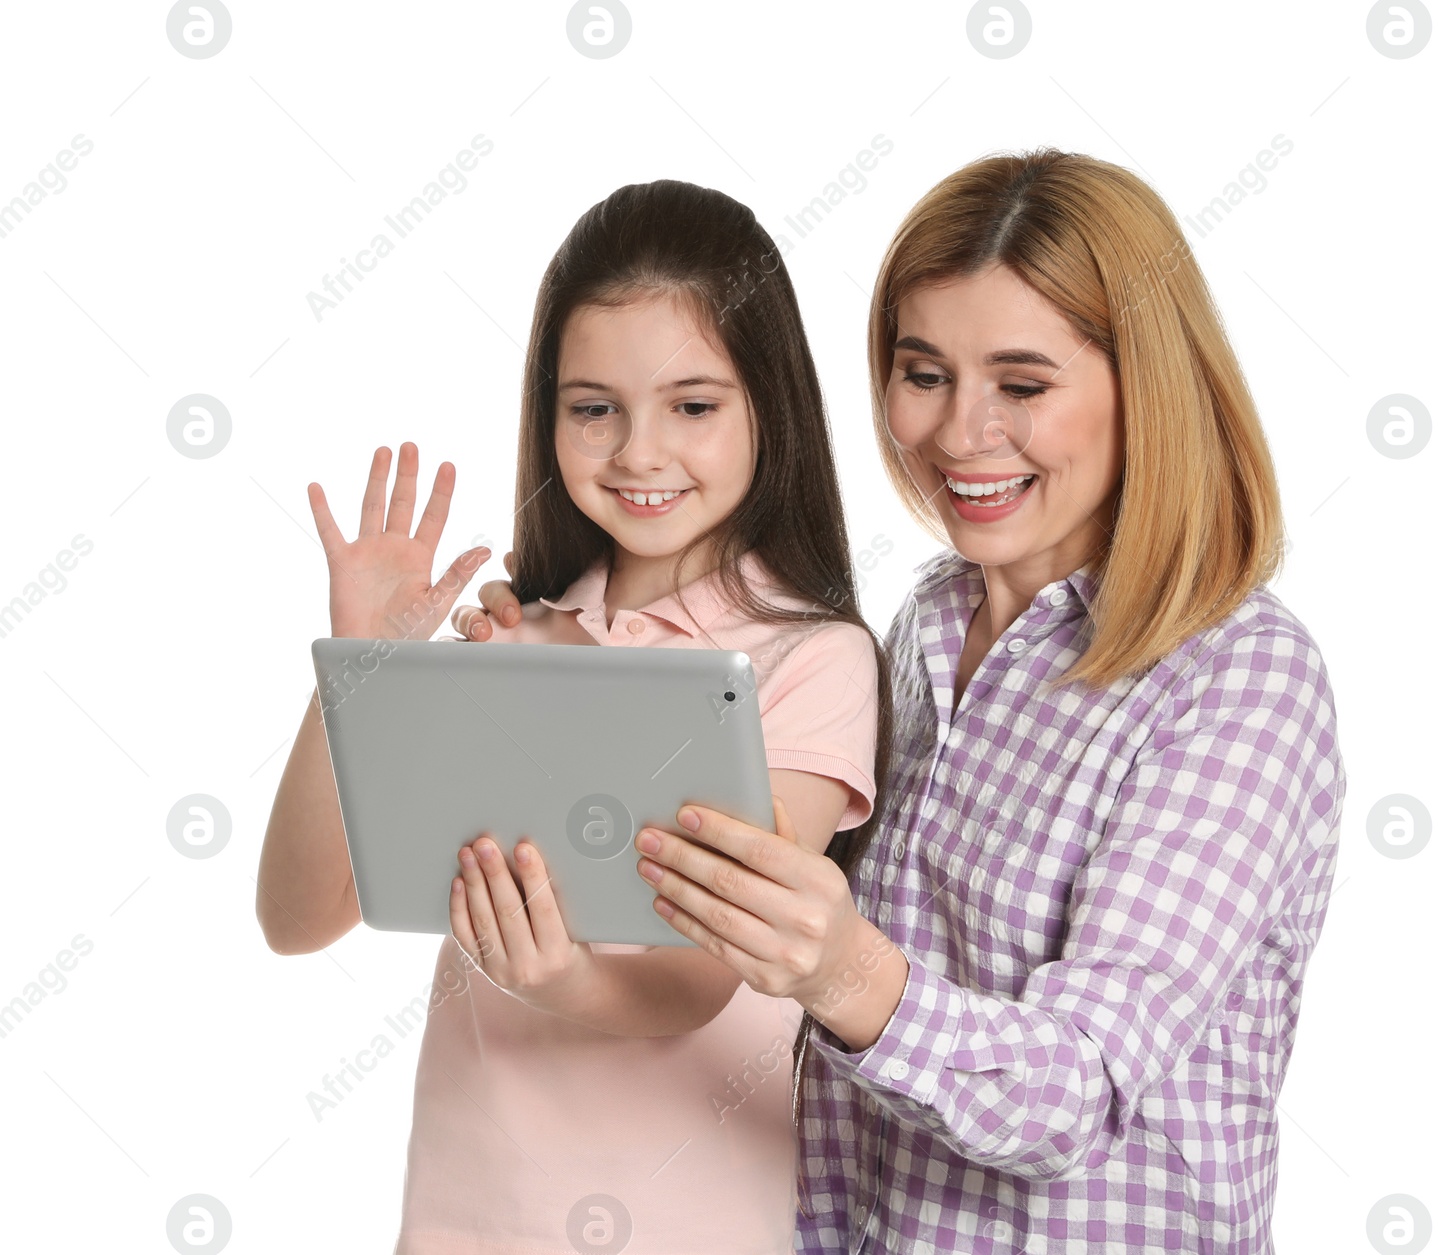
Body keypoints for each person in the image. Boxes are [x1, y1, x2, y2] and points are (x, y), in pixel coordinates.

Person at [468, 149, 1344, 1252]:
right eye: (922, 373)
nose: (956, 432)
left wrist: (841, 967)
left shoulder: (1236, 677)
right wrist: (537, 680)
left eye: (1021, 385)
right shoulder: (924, 624)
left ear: (1147, 390)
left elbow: (1075, 1089)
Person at [255, 179, 889, 1254]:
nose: (638, 453)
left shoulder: (810, 661)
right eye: (593, 407)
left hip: (698, 1226)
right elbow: (297, 915)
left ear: (768, 409)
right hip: (465, 1222)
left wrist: (560, 975)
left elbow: (709, 968)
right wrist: (359, 670)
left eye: (693, 406)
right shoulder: (512, 643)